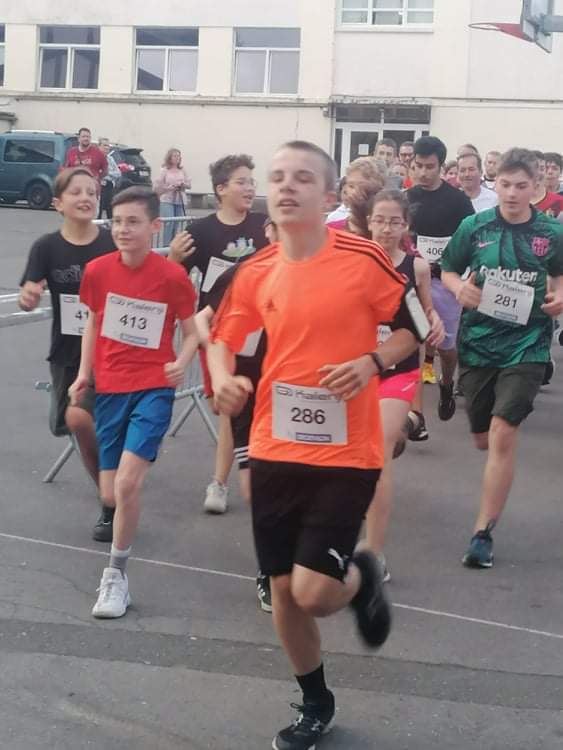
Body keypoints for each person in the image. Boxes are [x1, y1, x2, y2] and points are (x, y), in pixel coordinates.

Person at [208, 140, 424, 750]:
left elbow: (413, 329)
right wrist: (222, 378)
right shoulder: (256, 270)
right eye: (277, 176)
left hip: (346, 451)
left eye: (302, 177)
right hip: (275, 445)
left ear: (328, 196)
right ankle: (314, 701)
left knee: (315, 594)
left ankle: (358, 578)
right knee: (282, 589)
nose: (285, 186)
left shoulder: (364, 258)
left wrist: (371, 361)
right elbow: (224, 336)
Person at [68, 187, 199, 617]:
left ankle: (115, 577)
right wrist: (84, 373)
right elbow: (93, 323)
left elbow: (192, 331)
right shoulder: (98, 271)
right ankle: (129, 486)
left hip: (153, 387)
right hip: (110, 388)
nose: (123, 230)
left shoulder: (172, 277)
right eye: (117, 221)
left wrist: (181, 361)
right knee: (111, 492)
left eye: (133, 222)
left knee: (126, 484)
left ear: (155, 226)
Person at [441, 148, 563, 568]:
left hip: (527, 343)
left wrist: (560, 295)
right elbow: (448, 268)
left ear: (535, 187)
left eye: (521, 186)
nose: (512, 193)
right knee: (482, 437)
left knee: (503, 432)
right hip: (479, 343)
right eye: (505, 185)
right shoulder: (475, 227)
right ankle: (490, 445)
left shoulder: (551, 231)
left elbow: (560, 272)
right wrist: (459, 288)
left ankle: (482, 533)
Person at [18, 167, 115, 541]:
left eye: (92, 191)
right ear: (58, 203)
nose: (86, 197)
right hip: (66, 350)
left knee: (84, 420)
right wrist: (28, 296)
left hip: (110, 349)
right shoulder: (46, 247)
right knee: (65, 423)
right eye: (76, 192)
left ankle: (109, 500)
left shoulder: (110, 242)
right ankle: (111, 475)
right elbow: (29, 289)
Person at [168, 154, 268, 515]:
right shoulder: (200, 231)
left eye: (252, 182)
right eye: (242, 182)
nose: (250, 188)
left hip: (261, 330)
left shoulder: (264, 225)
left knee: (235, 406)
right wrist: (173, 259)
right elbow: (172, 282)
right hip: (216, 330)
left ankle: (220, 482)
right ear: (220, 189)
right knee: (222, 405)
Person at [360, 190, 444, 582]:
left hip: (399, 368)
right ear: (368, 222)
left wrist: (434, 325)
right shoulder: (354, 261)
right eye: (380, 220)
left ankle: (373, 552)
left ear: (406, 225)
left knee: (378, 451)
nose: (387, 228)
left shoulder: (417, 267)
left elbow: (425, 314)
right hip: (357, 368)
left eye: (395, 221)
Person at [195, 218, 277, 613]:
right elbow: (203, 321)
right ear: (269, 231)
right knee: (255, 486)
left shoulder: (327, 272)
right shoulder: (245, 272)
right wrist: (221, 374)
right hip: (249, 390)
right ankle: (269, 569)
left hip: (301, 393)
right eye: (278, 228)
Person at [407, 136, 474, 436]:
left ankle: (447, 383)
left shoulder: (458, 201)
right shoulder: (407, 198)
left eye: (429, 166)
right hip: (413, 280)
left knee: (446, 346)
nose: (423, 172)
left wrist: (462, 275)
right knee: (415, 341)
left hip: (445, 281)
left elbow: (472, 240)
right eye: (418, 166)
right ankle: (415, 413)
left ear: (441, 166)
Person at [326, 157, 385, 232]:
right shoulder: (332, 229)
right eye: (351, 186)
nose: (354, 192)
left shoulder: (387, 232)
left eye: (362, 187)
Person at [154, 148, 192, 247]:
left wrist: (183, 185)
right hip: (167, 199)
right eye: (175, 156)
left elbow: (189, 184)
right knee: (169, 223)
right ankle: (166, 246)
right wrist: (168, 188)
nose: (177, 158)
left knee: (177, 223)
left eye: (178, 156)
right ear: (170, 158)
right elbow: (157, 187)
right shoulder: (165, 170)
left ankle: (174, 246)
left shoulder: (182, 170)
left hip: (179, 199)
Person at [531, 150, 563, 219]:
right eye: (546, 168)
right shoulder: (529, 195)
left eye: (554, 168)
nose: (550, 172)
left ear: (561, 172)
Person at [97, 137, 121, 220]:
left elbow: (118, 173)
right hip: (100, 187)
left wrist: (107, 173)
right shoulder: (96, 159)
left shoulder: (110, 159)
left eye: (108, 145)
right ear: (99, 146)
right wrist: (106, 174)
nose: (107, 147)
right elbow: (98, 173)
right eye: (104, 145)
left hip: (110, 187)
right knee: (98, 211)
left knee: (111, 211)